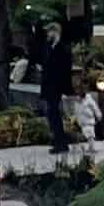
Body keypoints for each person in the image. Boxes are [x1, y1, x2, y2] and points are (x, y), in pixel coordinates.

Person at [37, 21, 74, 157]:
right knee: (51, 113)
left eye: (49, 32)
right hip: (48, 85)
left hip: (56, 85)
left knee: (54, 113)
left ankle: (61, 142)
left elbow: (64, 68)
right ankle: (58, 139)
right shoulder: (48, 47)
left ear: (55, 32)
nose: (47, 34)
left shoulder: (62, 48)